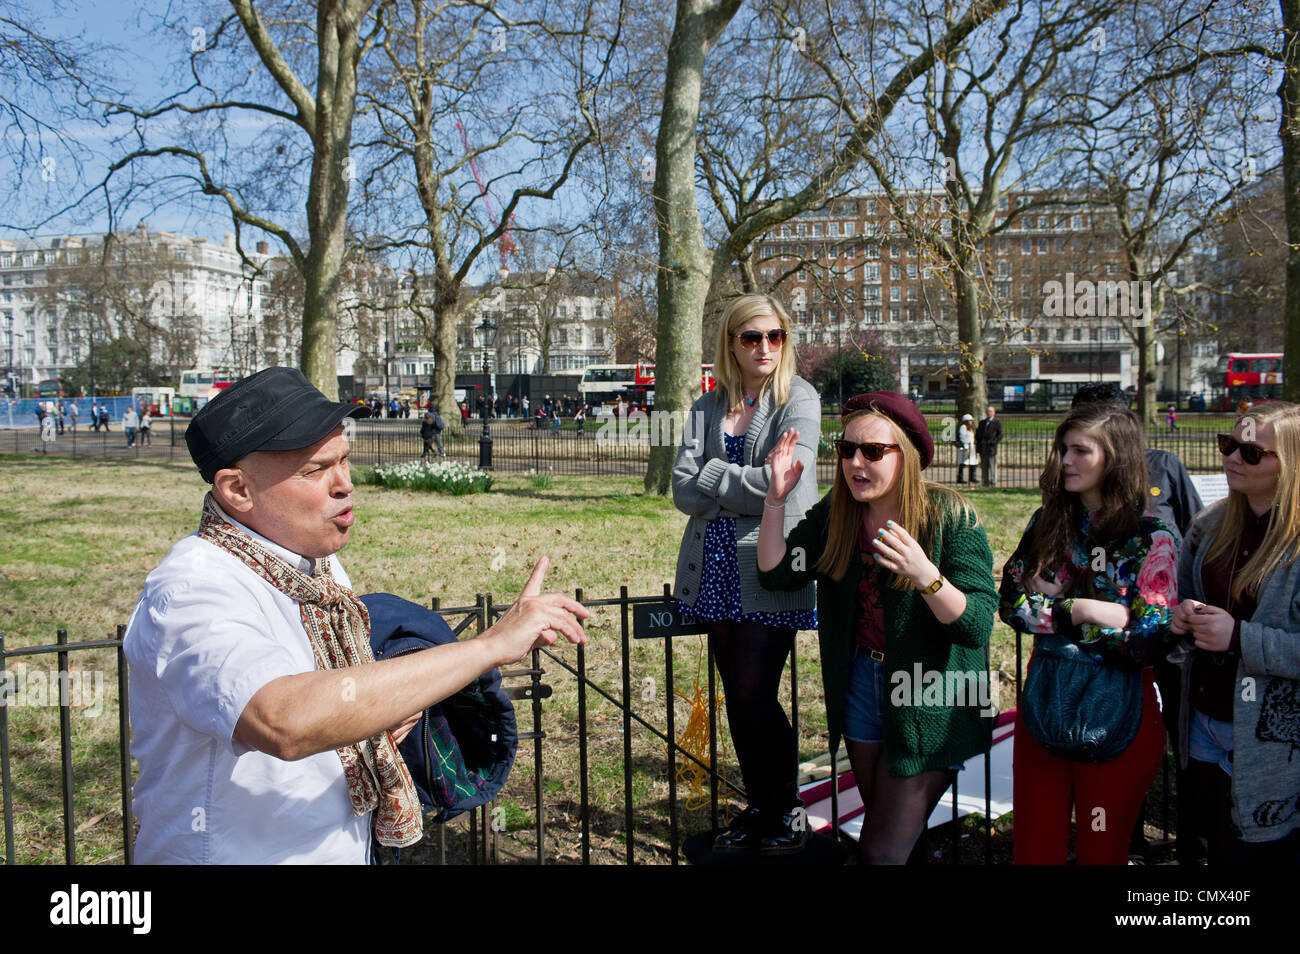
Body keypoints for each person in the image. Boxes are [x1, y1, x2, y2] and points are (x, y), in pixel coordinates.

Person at [123, 367, 588, 864]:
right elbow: (282, 719)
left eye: (344, 460)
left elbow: (337, 700)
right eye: (315, 470)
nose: (345, 484)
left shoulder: (313, 566)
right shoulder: (193, 588)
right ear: (238, 489)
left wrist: (382, 713)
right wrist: (489, 646)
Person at [758, 391, 997, 864]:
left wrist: (926, 576)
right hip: (862, 690)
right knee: (901, 841)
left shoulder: (950, 516)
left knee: (879, 852)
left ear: (906, 456)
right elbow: (776, 571)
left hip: (932, 694)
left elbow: (975, 625)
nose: (855, 463)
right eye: (846, 449)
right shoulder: (839, 514)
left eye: (872, 451)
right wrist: (775, 499)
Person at [672, 293, 821, 854]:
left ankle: (786, 812)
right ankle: (761, 807)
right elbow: (681, 489)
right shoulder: (707, 406)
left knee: (758, 693)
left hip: (767, 564)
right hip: (711, 567)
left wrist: (713, 475)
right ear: (731, 344)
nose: (765, 347)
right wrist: (748, 483)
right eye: (752, 337)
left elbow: (788, 486)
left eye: (775, 336)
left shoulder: (798, 399)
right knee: (736, 694)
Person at [999, 401, 1178, 864]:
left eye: (1080, 450)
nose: (1065, 460)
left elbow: (1145, 643)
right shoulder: (1047, 523)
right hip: (1047, 701)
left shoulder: (1150, 538)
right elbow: (1011, 605)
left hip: (1119, 711)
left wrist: (1051, 610)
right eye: (1063, 448)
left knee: (1102, 850)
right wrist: (1083, 610)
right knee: (1035, 849)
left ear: (1115, 458)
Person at [1070, 380, 1203, 863]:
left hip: (1171, 636)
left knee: (1183, 742)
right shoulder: (1073, 484)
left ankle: (1194, 843)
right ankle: (1125, 842)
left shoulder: (1164, 467)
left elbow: (1196, 534)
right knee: (1114, 739)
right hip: (1106, 646)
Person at [1168, 401, 1300, 863]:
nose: (1232, 458)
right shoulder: (1208, 526)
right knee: (1209, 847)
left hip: (1274, 745)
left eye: (1251, 452)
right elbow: (1181, 603)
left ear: (1291, 463)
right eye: (1228, 445)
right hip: (1204, 721)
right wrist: (1182, 618)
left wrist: (1240, 638)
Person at [975, 406, 1003, 487]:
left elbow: (1000, 434)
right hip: (983, 447)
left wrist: (994, 442)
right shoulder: (982, 422)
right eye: (987, 411)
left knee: (992, 465)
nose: (989, 413)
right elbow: (978, 434)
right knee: (984, 466)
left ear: (994, 412)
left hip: (991, 448)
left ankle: (993, 481)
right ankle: (985, 481)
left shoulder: (997, 422)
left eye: (990, 411)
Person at [956, 413, 977, 484]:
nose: (971, 422)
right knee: (963, 463)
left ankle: (972, 477)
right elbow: (962, 438)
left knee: (972, 463)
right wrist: (966, 448)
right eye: (970, 420)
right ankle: (960, 478)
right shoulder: (963, 427)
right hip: (965, 447)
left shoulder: (971, 428)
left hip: (971, 447)